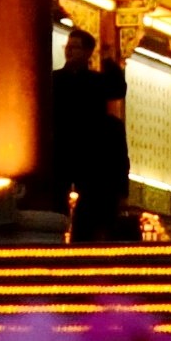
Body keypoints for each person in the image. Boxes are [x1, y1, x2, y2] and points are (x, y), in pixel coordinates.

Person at [41, 22, 136, 247]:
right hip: (61, 148)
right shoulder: (54, 79)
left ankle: (78, 244)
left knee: (89, 207)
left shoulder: (95, 81)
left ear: (86, 53)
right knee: (55, 203)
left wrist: (109, 61)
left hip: (90, 151)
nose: (69, 50)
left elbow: (117, 89)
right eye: (68, 46)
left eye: (75, 47)